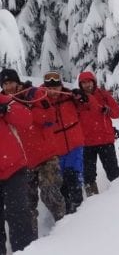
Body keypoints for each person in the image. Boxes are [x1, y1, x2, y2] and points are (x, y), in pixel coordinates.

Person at [0, 69, 66, 234]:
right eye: (5, 84)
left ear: (18, 81)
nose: (8, 87)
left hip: (46, 154)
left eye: (11, 82)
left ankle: (65, 227)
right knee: (27, 204)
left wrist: (26, 110)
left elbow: (50, 117)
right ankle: (31, 242)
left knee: (50, 193)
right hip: (23, 161)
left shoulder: (33, 94)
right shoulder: (3, 102)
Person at [42, 71, 97, 214]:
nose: (54, 91)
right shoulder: (41, 100)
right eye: (50, 88)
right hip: (55, 148)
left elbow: (89, 106)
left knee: (74, 176)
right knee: (61, 182)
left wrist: (83, 97)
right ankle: (65, 212)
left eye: (57, 87)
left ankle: (78, 209)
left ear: (61, 86)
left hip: (74, 144)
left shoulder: (70, 97)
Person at [0, 92, 36, 254]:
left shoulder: (5, 101)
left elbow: (27, 119)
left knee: (19, 215)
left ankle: (25, 251)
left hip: (13, 168)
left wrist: (6, 110)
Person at [78, 71, 119, 196]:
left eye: (89, 81)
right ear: (80, 85)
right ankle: (93, 200)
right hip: (86, 142)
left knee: (113, 171)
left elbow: (117, 113)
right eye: (84, 83)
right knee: (88, 174)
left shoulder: (103, 95)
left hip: (105, 140)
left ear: (94, 82)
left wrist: (108, 110)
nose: (87, 85)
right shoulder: (77, 98)